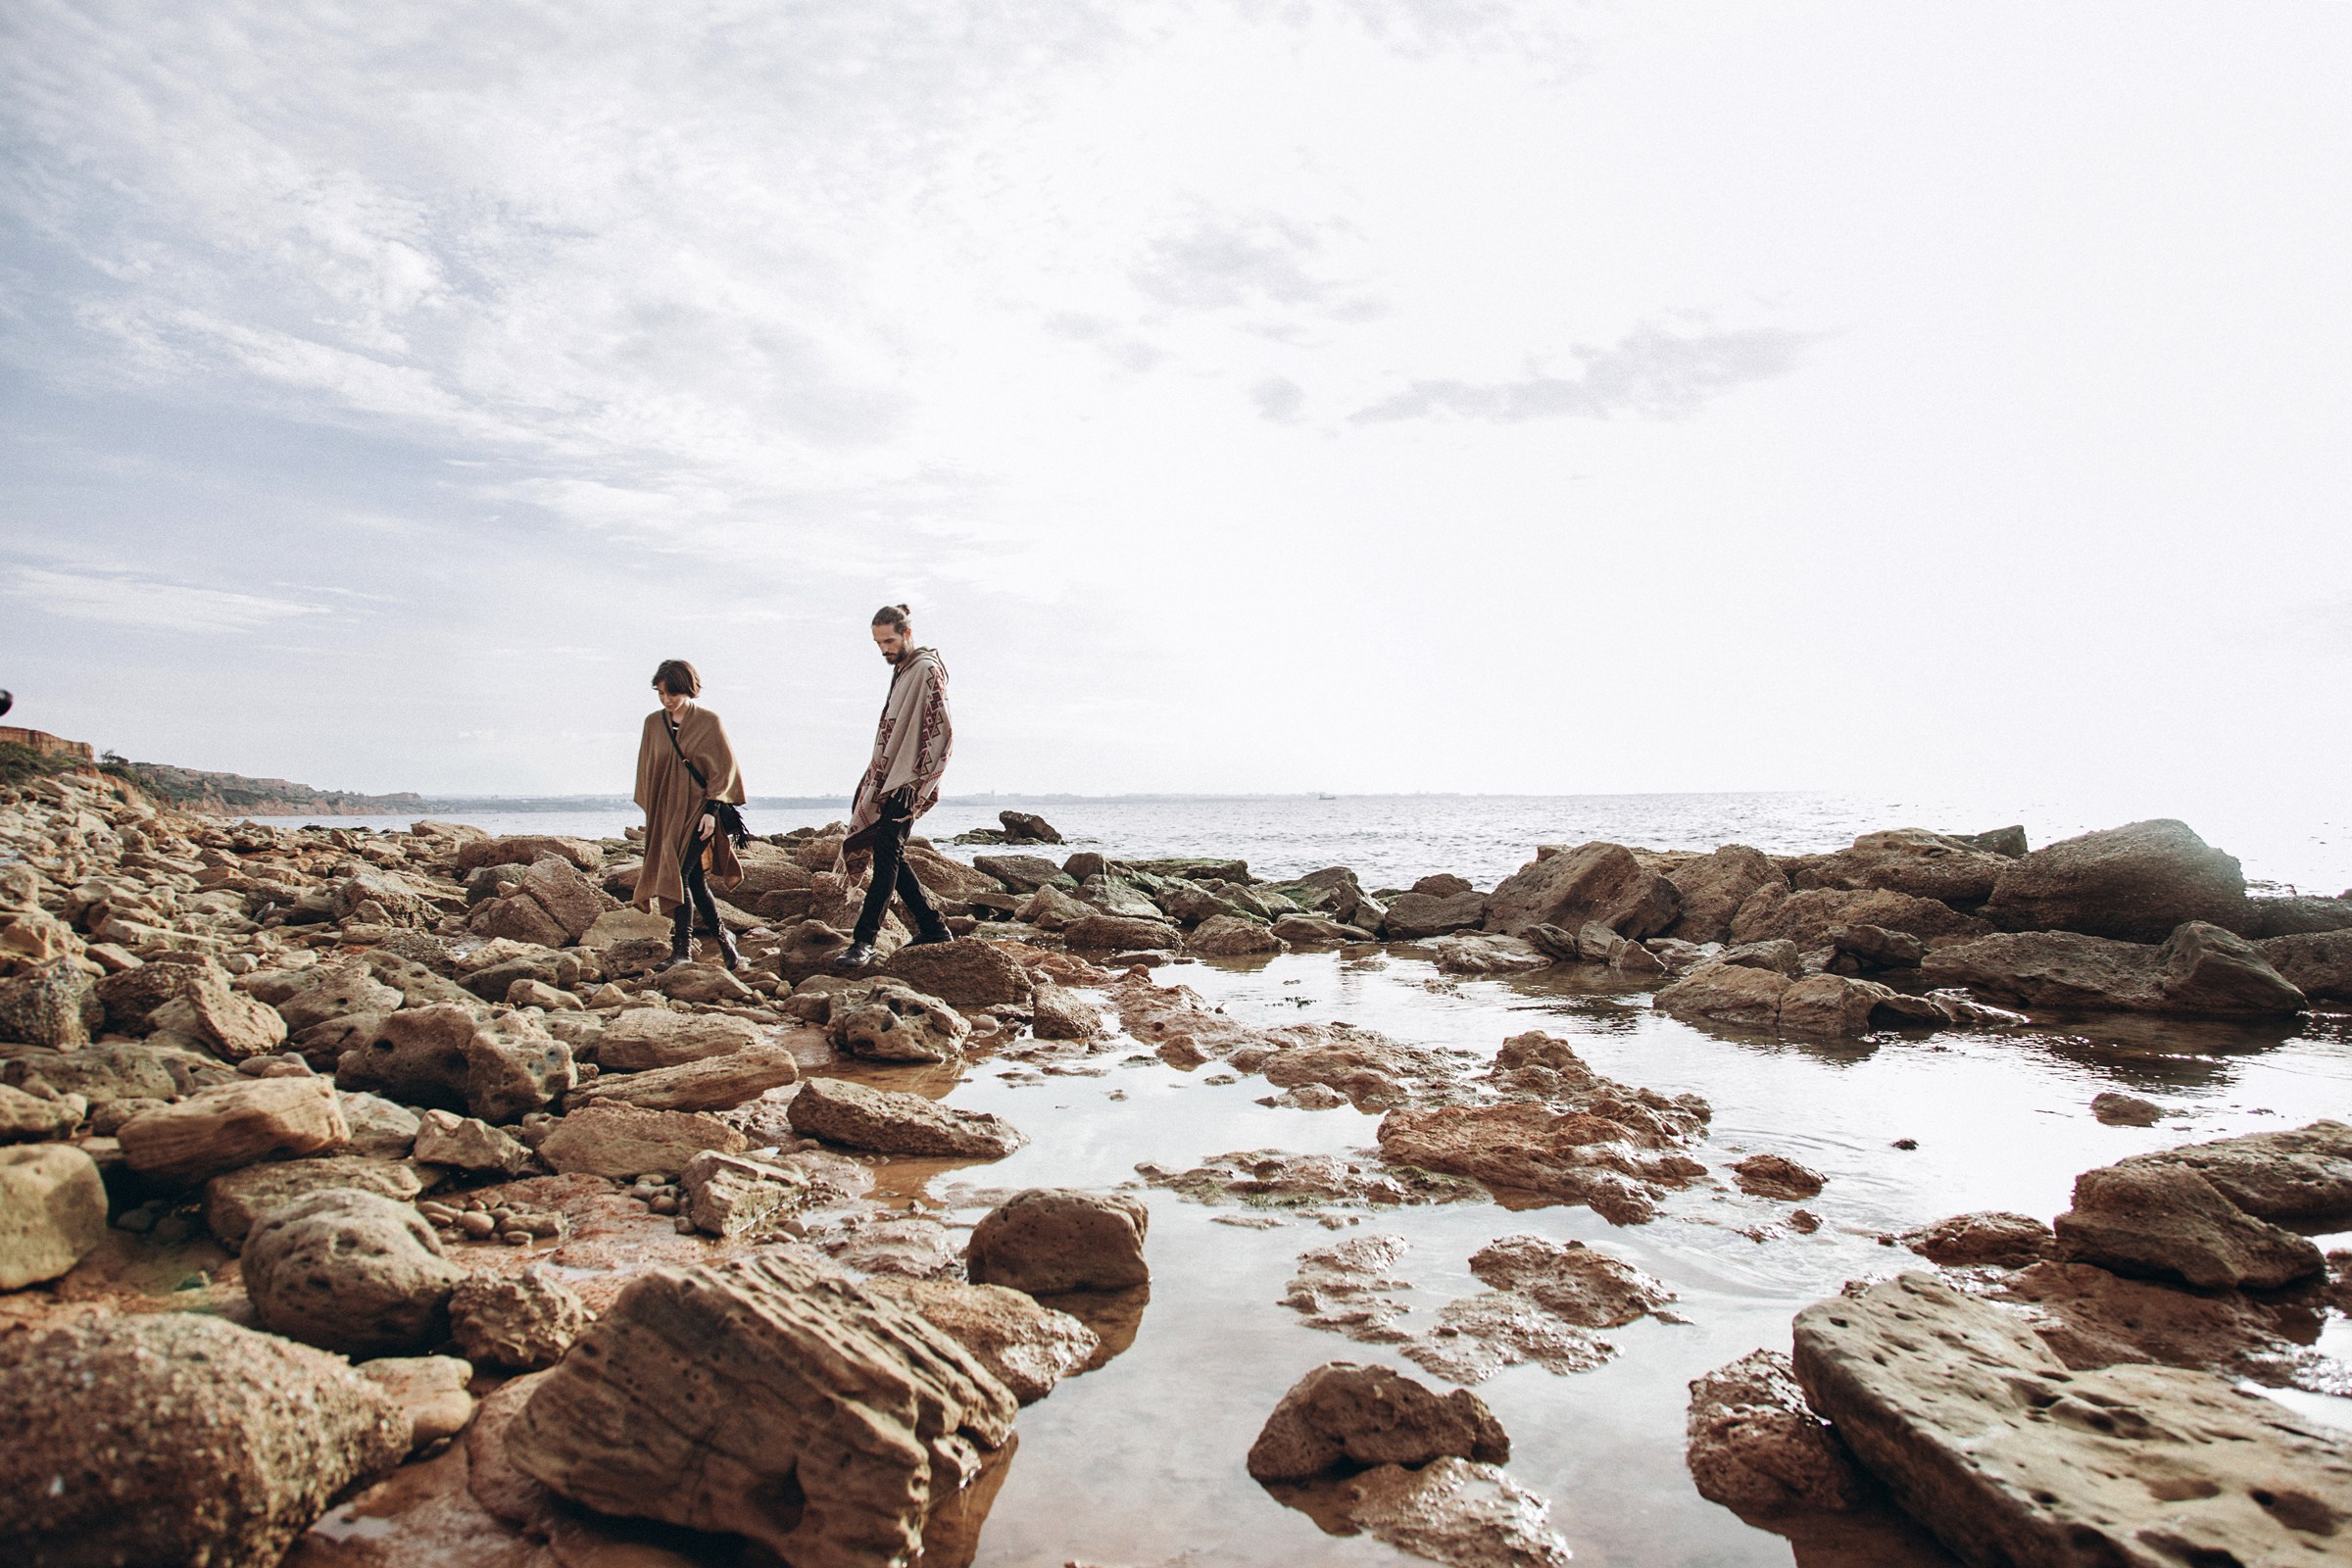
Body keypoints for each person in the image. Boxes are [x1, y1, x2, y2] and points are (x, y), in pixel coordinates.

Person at [836, 605, 955, 968]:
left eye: (889, 640)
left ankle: (863, 941)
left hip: (907, 782)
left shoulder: (926, 670)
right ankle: (933, 927)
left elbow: (942, 729)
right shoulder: (904, 671)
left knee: (888, 852)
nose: (884, 648)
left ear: (907, 634)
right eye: (878, 643)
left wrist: (918, 777)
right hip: (890, 779)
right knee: (891, 852)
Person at [632, 659, 747, 971]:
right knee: (695, 881)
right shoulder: (653, 724)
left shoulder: (709, 722)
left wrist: (711, 811)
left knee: (679, 874)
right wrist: (654, 814)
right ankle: (726, 943)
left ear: (687, 689)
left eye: (672, 693)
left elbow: (724, 769)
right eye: (661, 693)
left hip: (699, 812)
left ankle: (681, 950)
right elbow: (649, 771)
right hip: (669, 813)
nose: (666, 699)